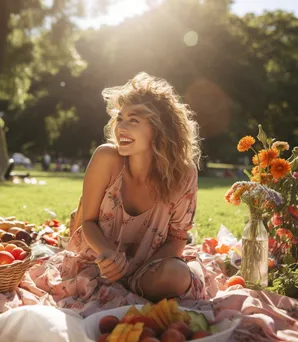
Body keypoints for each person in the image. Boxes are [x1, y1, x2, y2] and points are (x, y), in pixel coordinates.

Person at [24, 72, 205, 314]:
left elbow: (177, 238)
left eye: (134, 120)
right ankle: (127, 289)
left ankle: (132, 287)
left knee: (178, 275)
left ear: (159, 129)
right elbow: (87, 222)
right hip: (98, 262)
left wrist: (136, 271)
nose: (121, 127)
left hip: (147, 270)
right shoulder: (106, 158)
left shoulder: (183, 173)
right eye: (120, 119)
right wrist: (107, 254)